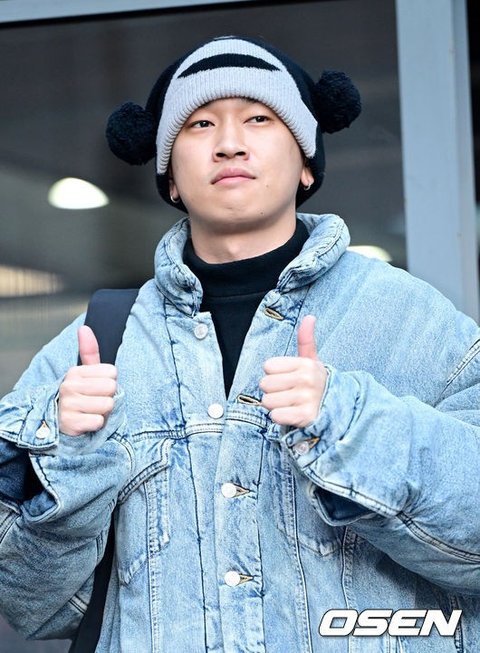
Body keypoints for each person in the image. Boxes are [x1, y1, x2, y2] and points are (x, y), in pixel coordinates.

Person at [0, 34, 479, 653]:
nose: (229, 142)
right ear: (171, 178)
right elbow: (30, 605)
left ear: (307, 164)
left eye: (259, 118)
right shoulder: (94, 346)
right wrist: (68, 457)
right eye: (199, 124)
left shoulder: (408, 319)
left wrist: (352, 423)